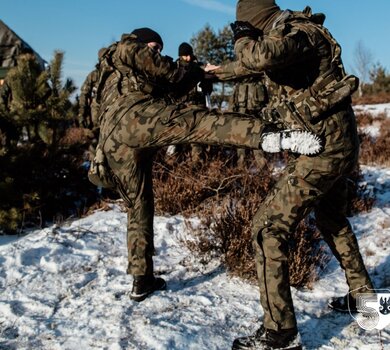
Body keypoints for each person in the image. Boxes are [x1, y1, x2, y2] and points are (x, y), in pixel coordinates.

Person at [89, 26, 321, 303]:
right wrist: (194, 72)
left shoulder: (111, 69)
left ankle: (142, 278)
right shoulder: (128, 47)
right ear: (139, 41)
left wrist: (198, 76)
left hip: (114, 140)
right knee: (199, 121)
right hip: (135, 119)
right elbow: (172, 74)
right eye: (154, 46)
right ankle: (268, 136)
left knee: (138, 205)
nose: (157, 51)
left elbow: (166, 87)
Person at [208, 1, 374, 349]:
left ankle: (280, 334)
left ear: (252, 21)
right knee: (332, 219)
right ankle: (367, 303)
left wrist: (241, 39)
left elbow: (262, 57)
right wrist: (215, 72)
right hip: (335, 143)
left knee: (267, 228)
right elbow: (252, 66)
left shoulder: (298, 33)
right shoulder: (290, 34)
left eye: (245, 26)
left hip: (322, 149)